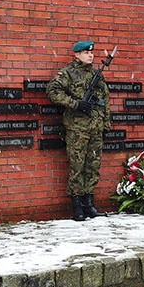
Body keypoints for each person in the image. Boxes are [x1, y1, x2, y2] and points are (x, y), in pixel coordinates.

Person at [46, 40, 111, 221]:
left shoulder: (96, 75)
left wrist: (106, 123)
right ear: (76, 54)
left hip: (95, 127)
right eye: (85, 52)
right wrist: (75, 104)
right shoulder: (69, 73)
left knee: (93, 165)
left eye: (91, 52)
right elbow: (52, 91)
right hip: (77, 128)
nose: (90, 55)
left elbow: (105, 100)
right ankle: (77, 207)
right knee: (77, 166)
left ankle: (89, 204)